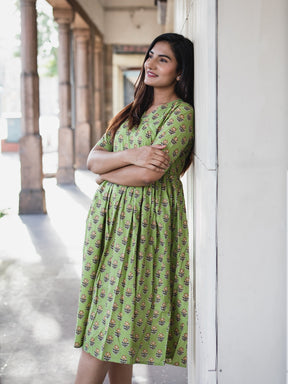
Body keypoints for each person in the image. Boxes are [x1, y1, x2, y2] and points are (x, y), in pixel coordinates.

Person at [74, 32, 194, 384]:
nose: (151, 64)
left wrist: (109, 174)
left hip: (146, 226)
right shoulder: (131, 111)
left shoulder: (180, 115)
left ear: (180, 72)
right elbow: (93, 159)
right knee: (115, 321)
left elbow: (148, 175)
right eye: (150, 56)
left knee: (107, 323)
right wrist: (130, 154)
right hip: (109, 224)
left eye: (163, 59)